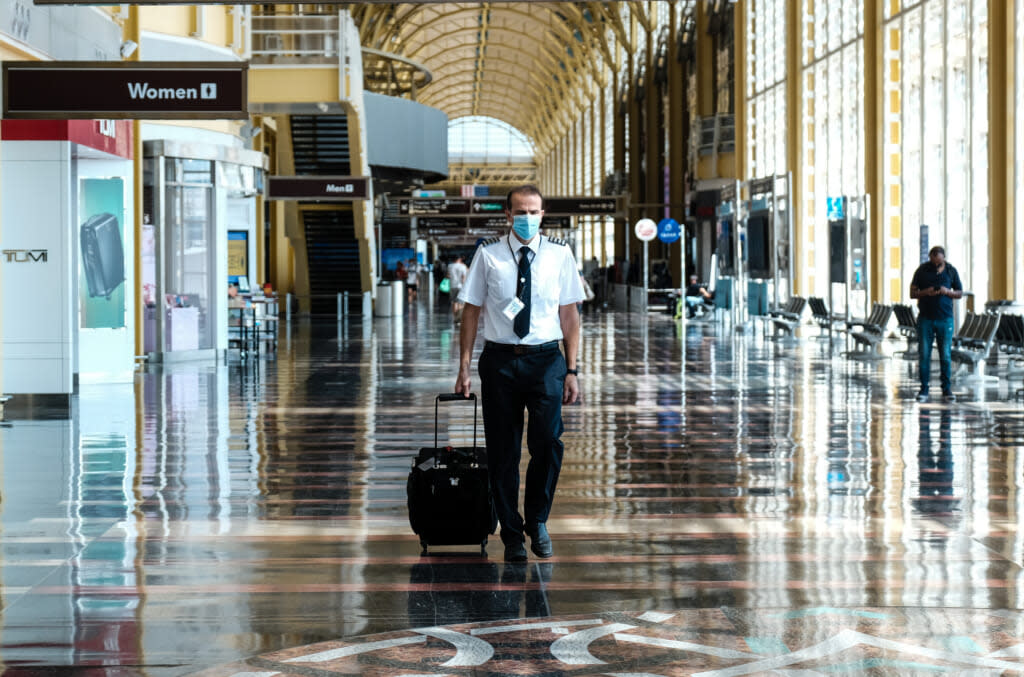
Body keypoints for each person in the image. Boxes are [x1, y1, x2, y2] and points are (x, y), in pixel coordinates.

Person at [454, 184, 585, 563]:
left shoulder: (560, 256)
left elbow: (569, 315)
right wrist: (464, 366)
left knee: (547, 443)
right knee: (503, 451)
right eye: (520, 212)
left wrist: (572, 369)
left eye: (534, 211)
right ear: (508, 216)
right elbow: (471, 311)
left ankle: (538, 521)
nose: (527, 218)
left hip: (546, 361)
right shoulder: (488, 256)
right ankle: (511, 533)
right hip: (500, 363)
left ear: (543, 215)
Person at [910, 245, 963, 403]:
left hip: (945, 319)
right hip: (925, 319)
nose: (936, 265)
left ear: (944, 259)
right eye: (933, 262)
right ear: (930, 258)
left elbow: (959, 293)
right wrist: (927, 292)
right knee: (924, 354)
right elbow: (912, 293)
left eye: (939, 263)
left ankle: (946, 388)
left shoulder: (951, 271)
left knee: (945, 355)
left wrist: (947, 292)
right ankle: (924, 389)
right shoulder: (922, 271)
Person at [447, 254, 468, 323]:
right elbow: (463, 278)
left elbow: (448, 276)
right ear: (459, 259)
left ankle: (455, 317)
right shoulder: (463, 266)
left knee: (454, 302)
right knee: (460, 303)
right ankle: (459, 318)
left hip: (452, 286)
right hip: (460, 286)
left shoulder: (450, 266)